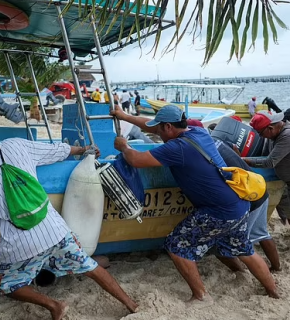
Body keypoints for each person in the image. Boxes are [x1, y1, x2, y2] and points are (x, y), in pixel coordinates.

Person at [111, 104, 278, 306]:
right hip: (238, 204)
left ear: (168, 127)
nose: (158, 132)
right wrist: (124, 116)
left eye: (160, 128)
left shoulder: (177, 148)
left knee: (176, 245)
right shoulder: (197, 131)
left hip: (218, 211)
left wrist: (124, 146)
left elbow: (136, 160)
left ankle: (201, 296)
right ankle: (273, 291)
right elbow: (151, 126)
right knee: (245, 250)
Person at [0, 122, 138, 320]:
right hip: (56, 230)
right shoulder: (15, 144)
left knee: (5, 285)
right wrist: (83, 149)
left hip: (20, 244)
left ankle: (54, 305)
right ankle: (131, 304)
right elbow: (56, 151)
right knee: (90, 266)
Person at [213, 139, 280, 271]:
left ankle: (242, 272)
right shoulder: (218, 140)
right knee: (261, 233)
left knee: (221, 247)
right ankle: (277, 268)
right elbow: (234, 146)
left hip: (246, 197)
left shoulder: (200, 149)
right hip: (258, 187)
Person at [245, 110, 290, 225]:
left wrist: (240, 159)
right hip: (282, 178)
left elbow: (269, 162)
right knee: (285, 206)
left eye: (260, 133)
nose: (260, 136)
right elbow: (263, 154)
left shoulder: (287, 136)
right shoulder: (272, 135)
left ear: (270, 128)